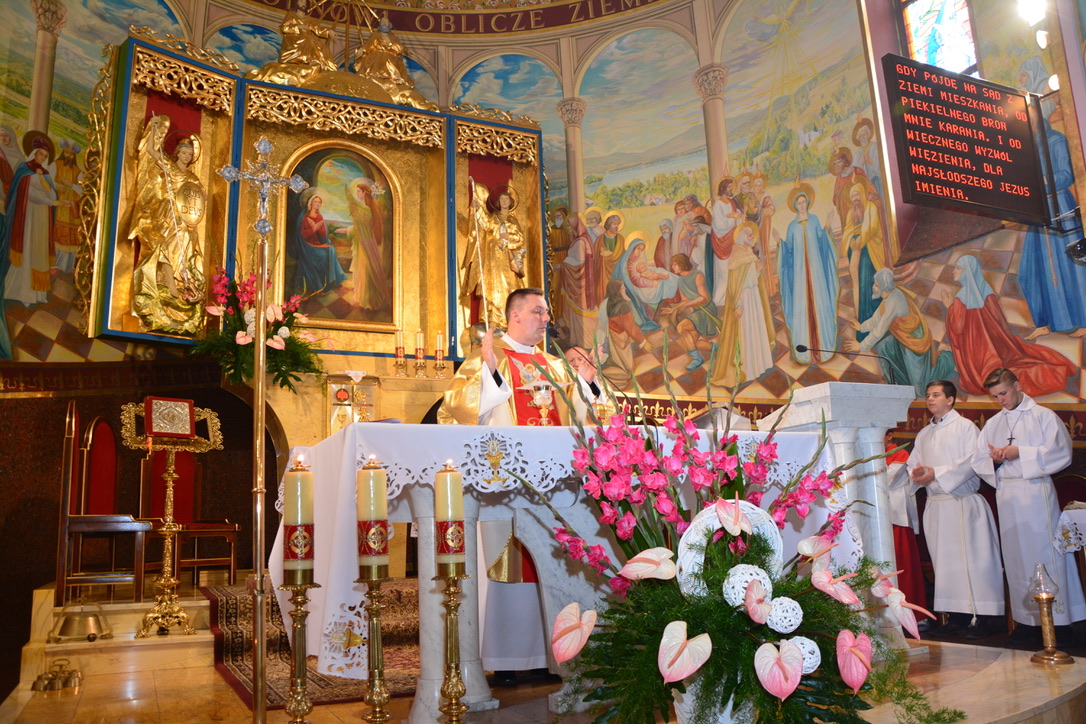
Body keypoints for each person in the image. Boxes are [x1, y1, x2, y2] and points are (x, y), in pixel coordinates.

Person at [439, 288, 605, 682]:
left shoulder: (557, 366)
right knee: (509, 566)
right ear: (514, 316)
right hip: (506, 485)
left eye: (546, 312)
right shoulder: (486, 358)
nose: (546, 319)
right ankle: (508, 660)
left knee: (555, 566)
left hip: (556, 488)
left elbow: (587, 415)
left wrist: (587, 385)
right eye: (538, 311)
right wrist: (490, 374)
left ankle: (551, 657)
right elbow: (456, 409)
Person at [972, 368, 1086, 646]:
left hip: (1035, 493)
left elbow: (1061, 452)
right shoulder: (994, 423)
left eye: (1003, 393)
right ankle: (1028, 622)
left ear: (1017, 385)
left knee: (1044, 554)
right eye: (995, 396)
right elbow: (978, 460)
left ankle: (1058, 622)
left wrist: (1020, 452)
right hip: (1007, 494)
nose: (1001, 400)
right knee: (1015, 557)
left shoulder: (1043, 416)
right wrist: (995, 459)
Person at [908, 381, 1003, 639]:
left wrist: (936, 474)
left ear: (950, 400)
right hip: (936, 505)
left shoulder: (965, 427)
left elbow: (972, 461)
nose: (930, 399)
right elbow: (913, 464)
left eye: (936, 395)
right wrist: (917, 475)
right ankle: (957, 616)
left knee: (974, 562)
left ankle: (986, 618)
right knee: (946, 564)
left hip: (962, 503)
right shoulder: (924, 434)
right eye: (928, 395)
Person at [943, 254, 1075, 397]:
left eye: (958, 268)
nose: (954, 271)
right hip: (996, 344)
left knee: (985, 378)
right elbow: (996, 319)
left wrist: (949, 307)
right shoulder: (985, 288)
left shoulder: (961, 297)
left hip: (977, 350)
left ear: (967, 272)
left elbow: (957, 327)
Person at [124, 116, 207, 335]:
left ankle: (180, 282)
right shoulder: (170, 167)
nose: (187, 156)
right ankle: (170, 284)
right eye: (184, 153)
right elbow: (151, 150)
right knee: (167, 248)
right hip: (169, 214)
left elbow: (200, 197)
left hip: (186, 219)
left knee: (184, 249)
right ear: (177, 153)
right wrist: (153, 129)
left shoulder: (193, 177)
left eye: (190, 154)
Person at [844, 268, 955, 396]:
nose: (873, 287)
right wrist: (861, 327)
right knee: (883, 347)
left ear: (883, 286)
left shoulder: (895, 301)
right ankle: (896, 383)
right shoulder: (888, 297)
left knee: (920, 388)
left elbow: (880, 329)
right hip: (901, 338)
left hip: (913, 340)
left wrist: (861, 346)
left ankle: (947, 360)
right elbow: (876, 319)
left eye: (876, 284)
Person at [777, 183, 838, 364]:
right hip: (800, 276)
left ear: (808, 203)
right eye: (799, 203)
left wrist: (827, 226)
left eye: (804, 202)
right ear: (795, 206)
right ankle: (805, 350)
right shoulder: (792, 227)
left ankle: (823, 347)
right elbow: (788, 251)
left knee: (820, 302)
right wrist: (779, 244)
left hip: (816, 272)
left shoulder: (814, 221)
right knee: (802, 306)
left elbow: (822, 241)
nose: (802, 205)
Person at [711, 222, 773, 387]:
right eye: (748, 234)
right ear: (741, 236)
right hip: (743, 298)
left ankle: (758, 365)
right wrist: (737, 304)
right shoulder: (736, 254)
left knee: (755, 329)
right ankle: (747, 369)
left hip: (753, 296)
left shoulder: (749, 252)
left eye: (752, 234)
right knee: (745, 332)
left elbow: (750, 276)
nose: (752, 236)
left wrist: (758, 269)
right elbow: (734, 283)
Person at [2, 133, 59, 309]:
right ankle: (22, 293)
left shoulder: (45, 173)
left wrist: (45, 187)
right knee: (27, 249)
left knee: (39, 252)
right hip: (28, 217)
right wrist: (49, 201)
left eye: (45, 156)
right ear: (34, 153)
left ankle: (38, 293)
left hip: (42, 218)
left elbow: (52, 193)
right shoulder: (24, 169)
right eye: (40, 154)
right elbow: (29, 193)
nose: (42, 158)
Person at [461, 179, 527, 330]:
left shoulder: (513, 221)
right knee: (494, 285)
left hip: (507, 258)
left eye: (506, 199)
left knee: (509, 287)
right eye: (502, 199)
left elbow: (520, 239)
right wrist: (477, 208)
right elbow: (485, 223)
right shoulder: (494, 218)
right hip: (494, 258)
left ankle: (508, 320)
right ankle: (493, 320)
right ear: (498, 202)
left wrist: (507, 239)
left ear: (510, 202)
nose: (504, 201)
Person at [884, 429, 929, 627]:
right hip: (880, 516)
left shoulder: (900, 453)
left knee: (904, 567)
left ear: (890, 435)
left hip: (897, 516)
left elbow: (887, 480)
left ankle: (914, 616)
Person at [353, 13, 438, 111]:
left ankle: (393, 79)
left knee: (391, 61)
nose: (384, 24)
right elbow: (368, 45)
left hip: (392, 59)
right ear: (380, 25)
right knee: (381, 60)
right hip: (377, 57)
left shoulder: (392, 37)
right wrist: (361, 50)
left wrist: (405, 50)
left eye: (386, 22)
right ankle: (377, 76)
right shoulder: (376, 36)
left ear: (390, 26)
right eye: (382, 22)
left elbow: (399, 46)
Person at [247, 0, 338, 86]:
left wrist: (328, 31)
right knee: (307, 41)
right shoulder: (291, 15)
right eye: (301, 1)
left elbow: (316, 28)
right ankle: (305, 60)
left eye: (304, 2)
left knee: (322, 47)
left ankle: (327, 67)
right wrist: (298, 26)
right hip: (294, 39)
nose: (303, 4)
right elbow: (285, 28)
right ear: (297, 3)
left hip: (307, 38)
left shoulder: (309, 19)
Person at [657, 253, 719, 371]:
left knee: (681, 327)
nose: (672, 267)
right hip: (696, 312)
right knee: (691, 344)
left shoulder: (698, 275)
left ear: (682, 264)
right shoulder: (680, 280)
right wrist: (674, 309)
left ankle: (697, 359)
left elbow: (704, 298)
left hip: (706, 310)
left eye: (674, 264)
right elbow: (684, 300)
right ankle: (715, 348)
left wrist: (686, 305)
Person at [288, 188, 348, 297]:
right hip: (306, 245)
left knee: (331, 249)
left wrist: (319, 228)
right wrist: (313, 228)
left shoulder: (319, 216)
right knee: (322, 256)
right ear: (310, 203)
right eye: (315, 201)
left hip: (317, 243)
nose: (318, 204)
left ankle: (333, 280)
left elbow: (323, 235)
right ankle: (318, 286)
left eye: (319, 202)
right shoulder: (305, 217)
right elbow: (303, 235)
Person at [345, 177, 390, 311]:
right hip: (364, 242)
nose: (357, 193)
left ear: (365, 192)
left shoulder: (366, 208)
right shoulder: (367, 207)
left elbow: (363, 227)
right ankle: (363, 297)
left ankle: (368, 299)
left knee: (366, 269)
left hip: (366, 242)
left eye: (359, 191)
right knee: (363, 268)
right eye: (357, 191)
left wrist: (347, 230)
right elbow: (359, 227)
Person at [51, 139, 82, 273]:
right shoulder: (55, 165)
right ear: (62, 153)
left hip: (72, 209)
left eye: (71, 154)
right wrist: (57, 186)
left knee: (71, 237)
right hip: (60, 206)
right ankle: (55, 264)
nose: (68, 156)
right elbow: (48, 182)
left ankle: (69, 266)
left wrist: (71, 185)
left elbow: (83, 190)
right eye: (66, 153)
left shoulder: (78, 171)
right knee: (59, 233)